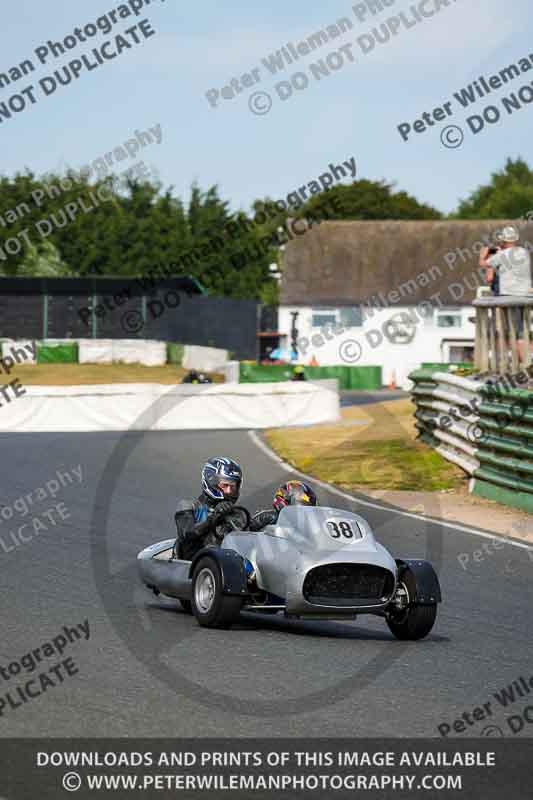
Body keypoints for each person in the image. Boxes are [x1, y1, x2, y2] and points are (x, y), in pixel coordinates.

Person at [173, 457, 243, 560]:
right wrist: (215, 517)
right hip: (193, 561)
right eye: (225, 485)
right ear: (211, 482)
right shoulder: (188, 506)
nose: (229, 491)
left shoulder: (236, 513)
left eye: (233, 487)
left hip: (226, 563)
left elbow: (245, 538)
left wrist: (261, 520)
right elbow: (187, 534)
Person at [479, 225, 532, 297]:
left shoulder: (501, 255)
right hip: (525, 293)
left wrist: (483, 255)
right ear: (515, 240)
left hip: (507, 294)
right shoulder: (525, 252)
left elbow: (486, 272)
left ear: (503, 241)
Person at [250, 480, 318, 531]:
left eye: (307, 506)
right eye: (302, 504)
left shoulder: (312, 525)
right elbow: (247, 530)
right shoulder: (268, 516)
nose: (303, 509)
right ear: (286, 500)